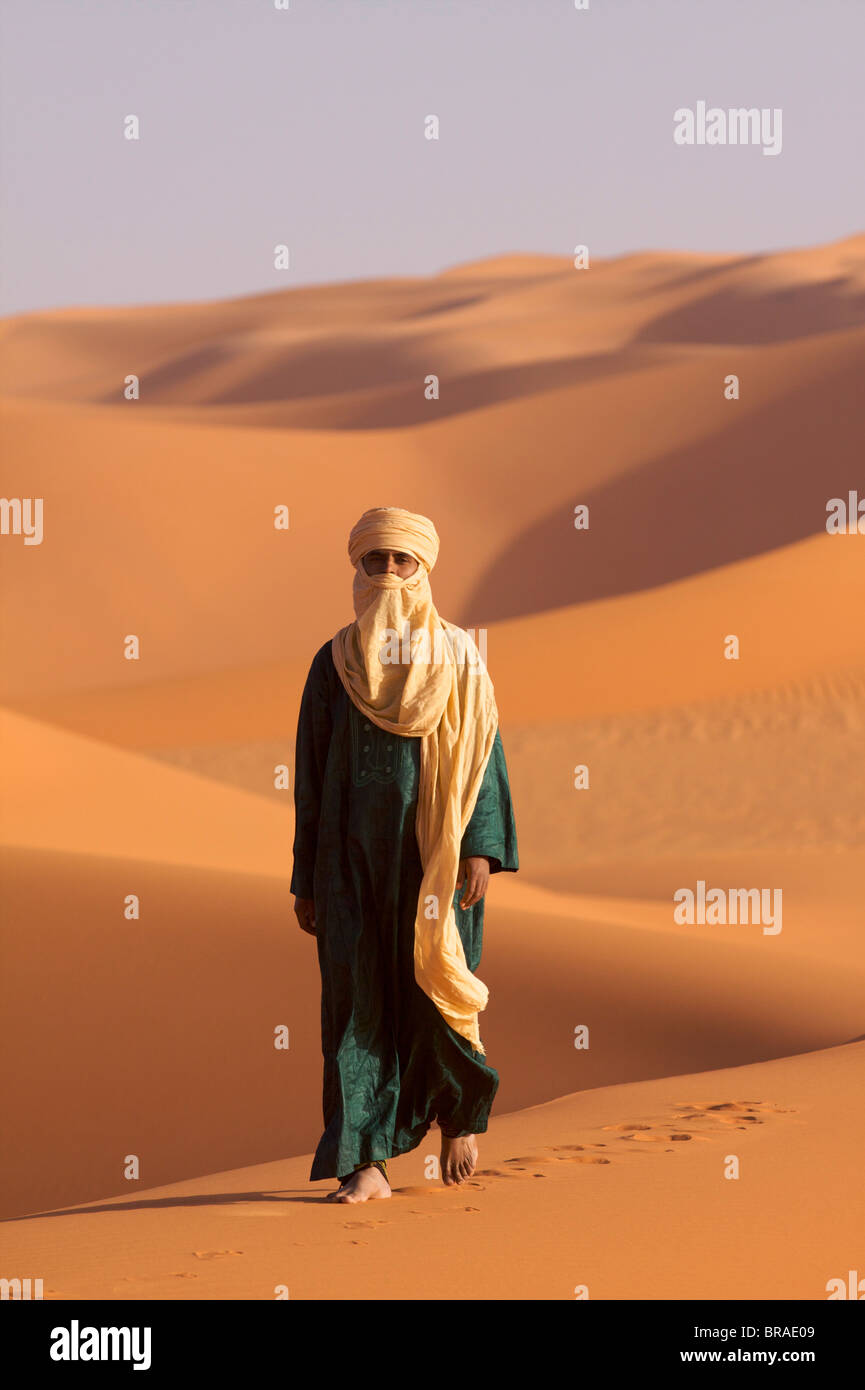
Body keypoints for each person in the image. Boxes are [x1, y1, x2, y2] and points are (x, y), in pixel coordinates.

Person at [291, 506, 518, 1204]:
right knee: (354, 1009)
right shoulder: (332, 665)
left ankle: (459, 1117)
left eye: (401, 561)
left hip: (435, 861)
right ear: (356, 568)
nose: (387, 573)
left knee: (435, 993)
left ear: (423, 570)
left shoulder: (458, 658)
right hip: (348, 867)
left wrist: (481, 848)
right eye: (374, 561)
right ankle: (365, 1164)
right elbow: (310, 774)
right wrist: (307, 878)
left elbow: (483, 757)